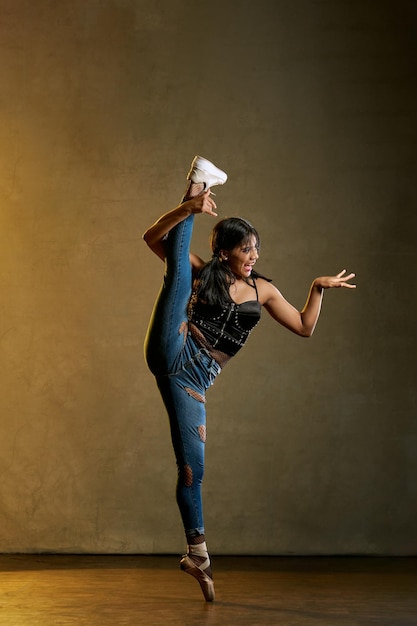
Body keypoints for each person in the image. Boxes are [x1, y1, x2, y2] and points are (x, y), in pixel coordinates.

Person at [143, 156, 356, 602]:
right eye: (247, 250)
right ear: (226, 251)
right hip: (175, 345)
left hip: (194, 382)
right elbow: (151, 238)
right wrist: (187, 211)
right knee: (178, 269)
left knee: (191, 471)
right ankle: (195, 188)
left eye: (257, 249)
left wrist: (316, 288)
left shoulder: (265, 290)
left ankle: (198, 555)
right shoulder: (206, 271)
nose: (254, 257)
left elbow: (303, 327)